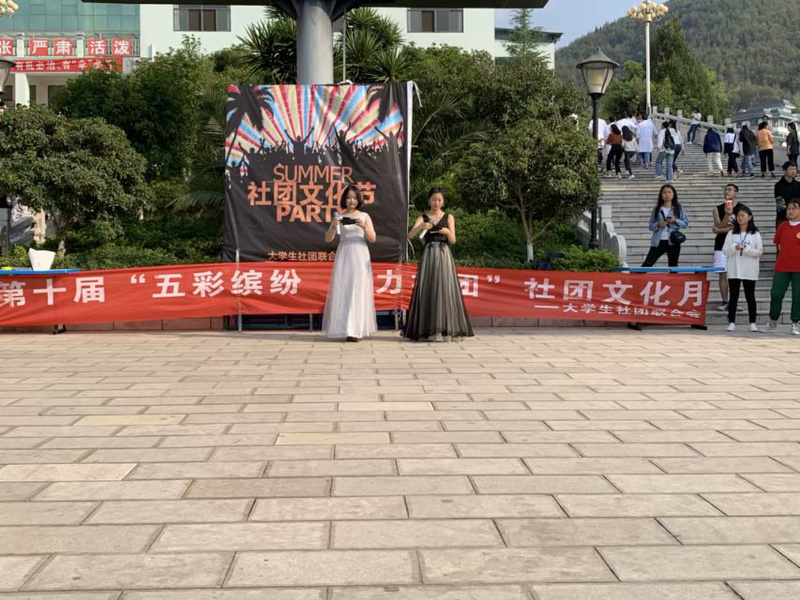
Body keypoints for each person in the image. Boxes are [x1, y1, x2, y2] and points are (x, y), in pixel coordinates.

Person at [403, 187, 473, 342]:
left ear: (443, 202)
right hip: (429, 255)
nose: (436, 202)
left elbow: (453, 240)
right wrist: (421, 227)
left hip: (443, 254)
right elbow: (410, 235)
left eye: (439, 200)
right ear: (429, 201)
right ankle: (427, 330)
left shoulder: (449, 217)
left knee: (444, 289)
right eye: (434, 199)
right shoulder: (423, 217)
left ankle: (446, 329)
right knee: (428, 289)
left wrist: (446, 232)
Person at [322, 185, 377, 342]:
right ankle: (344, 328)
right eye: (348, 198)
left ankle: (356, 330)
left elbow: (373, 238)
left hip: (360, 253)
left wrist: (364, 226)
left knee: (358, 289)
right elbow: (328, 239)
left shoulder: (364, 216)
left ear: (358, 199)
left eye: (354, 198)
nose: (351, 201)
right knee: (344, 289)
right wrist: (334, 225)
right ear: (344, 200)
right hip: (344, 253)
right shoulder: (339, 217)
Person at [722, 205, 763, 332]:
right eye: (738, 216)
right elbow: (725, 250)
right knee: (733, 296)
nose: (740, 218)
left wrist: (748, 249)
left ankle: (752, 323)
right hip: (734, 268)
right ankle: (731, 322)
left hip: (749, 269)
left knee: (750, 296)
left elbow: (759, 251)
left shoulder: (755, 233)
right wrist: (734, 248)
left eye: (743, 215)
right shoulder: (731, 233)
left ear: (749, 217)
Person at [765, 199, 800, 335]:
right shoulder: (782, 226)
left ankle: (795, 322)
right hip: (782, 266)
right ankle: (773, 321)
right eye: (789, 208)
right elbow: (779, 245)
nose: (790, 211)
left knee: (798, 296)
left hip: (798, 267)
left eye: (793, 209)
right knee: (776, 294)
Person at [712, 184, 743, 312]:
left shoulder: (742, 209)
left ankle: (734, 301)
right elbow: (718, 225)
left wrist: (720, 230)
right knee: (722, 273)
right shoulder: (717, 209)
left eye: (730, 190)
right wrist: (726, 214)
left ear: (736, 192)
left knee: (735, 274)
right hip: (721, 244)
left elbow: (741, 227)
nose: (727, 192)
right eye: (725, 189)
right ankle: (725, 300)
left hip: (737, 244)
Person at [642, 184, 689, 267]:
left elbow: (685, 224)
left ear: (673, 194)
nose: (667, 194)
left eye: (669, 192)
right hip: (658, 241)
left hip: (673, 241)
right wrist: (658, 224)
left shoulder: (679, 208)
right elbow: (651, 226)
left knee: (673, 266)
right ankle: (637, 276)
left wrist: (675, 220)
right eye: (664, 192)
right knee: (647, 264)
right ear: (661, 195)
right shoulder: (657, 209)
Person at [774, 161, 800, 226]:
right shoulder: (778, 185)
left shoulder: (798, 185)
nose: (793, 171)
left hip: (797, 217)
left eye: (795, 169)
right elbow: (780, 203)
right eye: (791, 169)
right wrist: (788, 213)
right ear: (785, 171)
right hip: (782, 217)